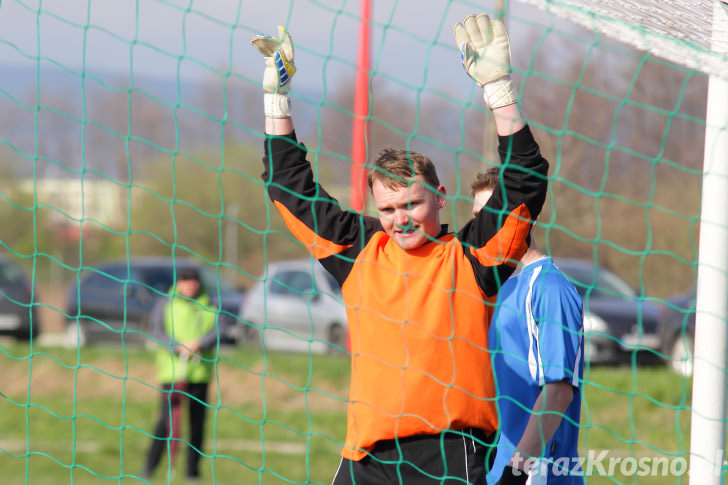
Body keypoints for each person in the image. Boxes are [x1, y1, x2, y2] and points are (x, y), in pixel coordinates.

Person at [252, 14, 549, 484]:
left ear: (440, 197)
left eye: (412, 203)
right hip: (366, 460)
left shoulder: (473, 257)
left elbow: (524, 181)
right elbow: (290, 188)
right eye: (388, 208)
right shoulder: (358, 251)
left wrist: (498, 87)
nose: (400, 218)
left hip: (450, 456)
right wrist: (276, 96)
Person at [471, 169, 585, 484]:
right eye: (478, 217)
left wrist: (515, 471)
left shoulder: (550, 288)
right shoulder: (501, 287)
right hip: (495, 469)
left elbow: (558, 391)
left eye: (493, 215)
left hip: (534, 475)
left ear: (527, 220)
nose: (483, 227)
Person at [141, 267, 225, 481]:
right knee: (166, 422)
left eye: (194, 280)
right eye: (186, 280)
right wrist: (177, 346)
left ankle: (192, 472)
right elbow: (156, 331)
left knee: (197, 424)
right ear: (179, 283)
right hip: (172, 373)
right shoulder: (165, 303)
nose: (190, 284)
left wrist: (199, 343)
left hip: (200, 373)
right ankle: (149, 467)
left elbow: (220, 328)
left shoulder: (211, 304)